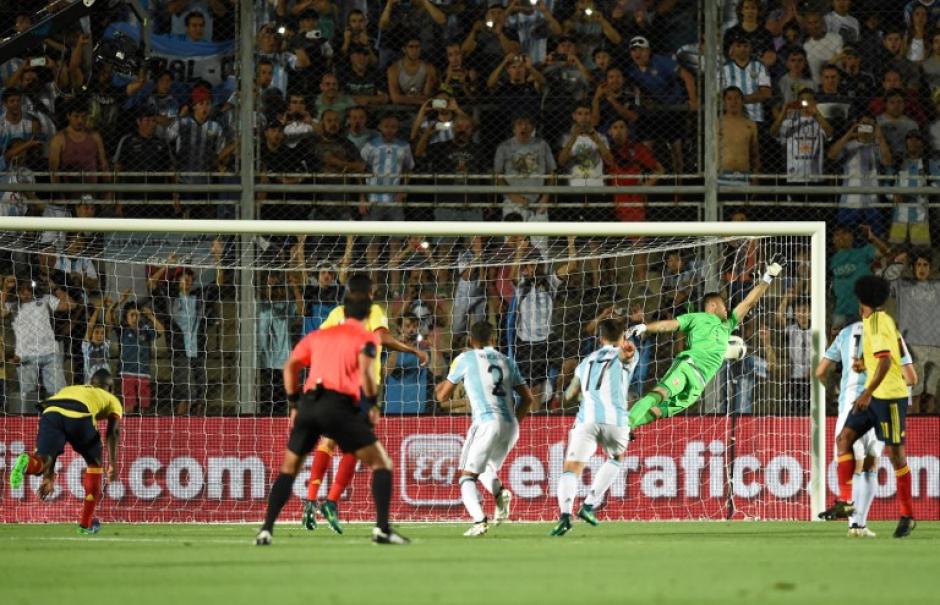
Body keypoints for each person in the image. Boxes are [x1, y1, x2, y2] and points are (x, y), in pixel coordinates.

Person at [256, 290, 409, 546]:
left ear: (342, 311)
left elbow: (290, 366)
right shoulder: (365, 338)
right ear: (366, 314)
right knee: (381, 462)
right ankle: (381, 528)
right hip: (339, 406)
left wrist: (294, 403)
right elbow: (367, 376)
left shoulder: (317, 335)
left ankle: (266, 530)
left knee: (288, 470)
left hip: (308, 402)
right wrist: (370, 405)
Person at [302, 273, 428, 533]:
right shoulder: (374, 311)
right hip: (360, 386)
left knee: (328, 441)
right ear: (370, 293)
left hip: (333, 382)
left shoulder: (337, 313)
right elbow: (381, 338)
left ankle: (312, 498)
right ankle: (332, 500)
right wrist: (412, 349)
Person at [627, 257, 783, 428]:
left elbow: (748, 302)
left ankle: (630, 427)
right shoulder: (696, 318)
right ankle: (626, 424)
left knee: (661, 411)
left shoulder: (727, 326)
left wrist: (768, 277)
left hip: (699, 384)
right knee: (660, 393)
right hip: (688, 366)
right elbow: (669, 325)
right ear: (713, 306)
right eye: (724, 306)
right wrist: (646, 327)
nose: (727, 310)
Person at [820, 276, 917, 539]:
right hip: (875, 398)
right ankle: (846, 500)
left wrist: (867, 391)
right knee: (844, 439)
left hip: (889, 398)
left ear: (860, 299)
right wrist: (865, 365)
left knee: (897, 457)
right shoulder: (873, 322)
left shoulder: (879, 324)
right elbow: (885, 360)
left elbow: (885, 363)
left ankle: (907, 514)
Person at [435, 321, 534, 536]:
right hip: (510, 425)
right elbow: (528, 399)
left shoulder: (464, 358)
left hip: (485, 422)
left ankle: (479, 521)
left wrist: (438, 389)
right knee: (486, 468)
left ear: (471, 341)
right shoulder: (508, 361)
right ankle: (500, 493)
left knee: (466, 476)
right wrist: (515, 421)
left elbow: (442, 396)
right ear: (494, 338)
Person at [550, 318, 638, 536]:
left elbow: (570, 394)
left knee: (571, 469)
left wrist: (563, 398)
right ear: (622, 336)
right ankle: (588, 506)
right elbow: (626, 356)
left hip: (586, 421)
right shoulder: (628, 353)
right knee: (616, 458)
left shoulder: (585, 361)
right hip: (615, 422)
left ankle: (564, 517)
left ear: (600, 338)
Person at [8, 370, 122, 535]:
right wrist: (113, 464)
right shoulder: (112, 399)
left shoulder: (72, 389)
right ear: (111, 388)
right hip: (80, 414)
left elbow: (60, 421)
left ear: (91, 382)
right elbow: (113, 432)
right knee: (95, 464)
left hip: (50, 412)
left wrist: (48, 476)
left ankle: (27, 461)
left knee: (42, 460)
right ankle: (85, 524)